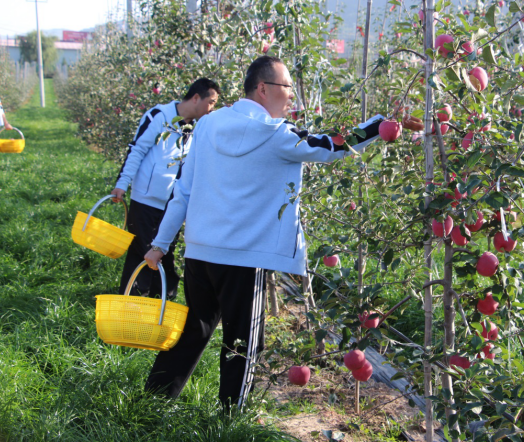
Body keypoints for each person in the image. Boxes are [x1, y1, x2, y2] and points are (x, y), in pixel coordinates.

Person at [142, 56, 421, 409]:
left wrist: (160, 244)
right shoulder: (277, 135)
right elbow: (332, 145)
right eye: (287, 88)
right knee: (244, 343)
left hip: (200, 251)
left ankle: (152, 401)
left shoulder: (208, 125)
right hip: (244, 258)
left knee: (194, 330)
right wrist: (380, 125)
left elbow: (183, 190)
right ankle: (230, 422)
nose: (291, 97)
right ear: (263, 88)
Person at [111, 78, 220, 300]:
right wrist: (122, 183)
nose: (212, 109)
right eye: (211, 102)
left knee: (164, 254)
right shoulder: (159, 116)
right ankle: (132, 307)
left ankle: (160, 306)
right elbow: (137, 149)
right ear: (196, 98)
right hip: (146, 200)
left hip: (173, 206)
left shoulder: (195, 128)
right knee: (141, 254)